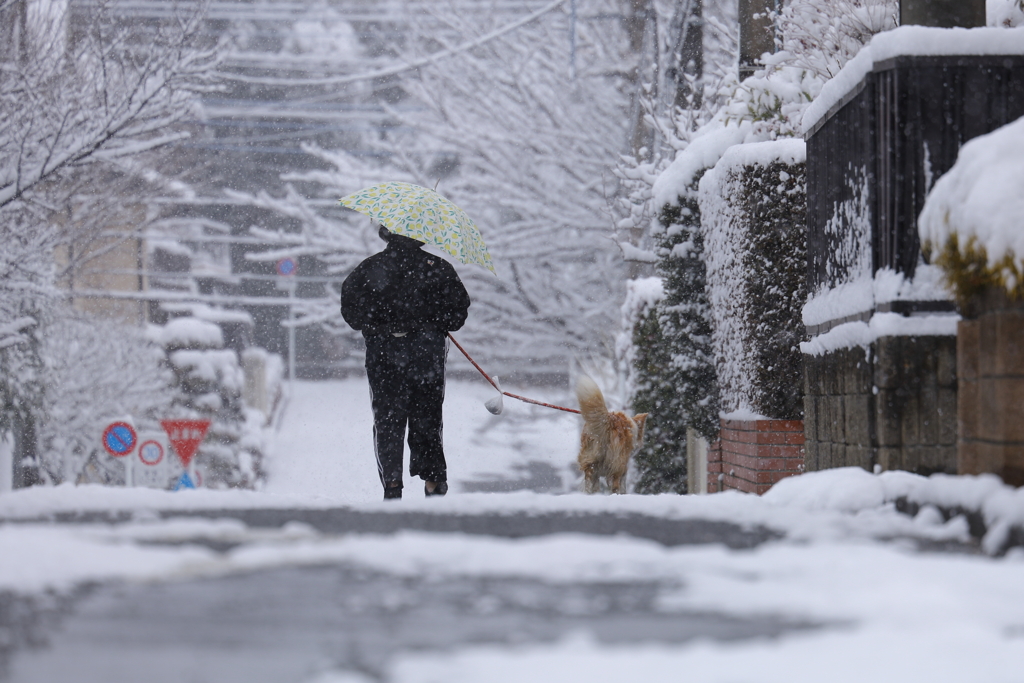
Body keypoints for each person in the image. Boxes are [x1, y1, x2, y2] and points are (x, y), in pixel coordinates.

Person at [341, 223, 471, 500]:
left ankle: (392, 482)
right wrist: (430, 320)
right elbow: (457, 316)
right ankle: (433, 479)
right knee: (428, 417)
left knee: (387, 419)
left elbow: (351, 313)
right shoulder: (439, 269)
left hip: (384, 357)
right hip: (426, 357)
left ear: (387, 233)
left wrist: (378, 325)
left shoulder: (369, 269)